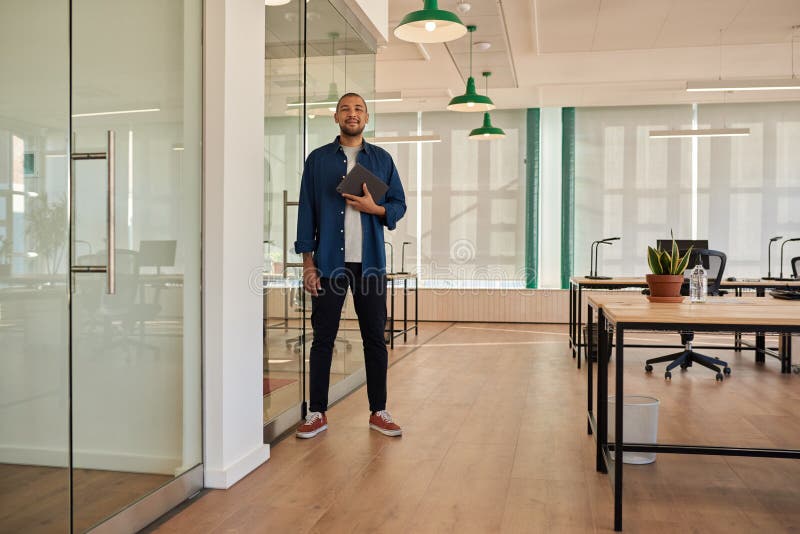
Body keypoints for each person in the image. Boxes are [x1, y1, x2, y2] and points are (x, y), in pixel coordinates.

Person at [294, 93, 407, 439]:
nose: (352, 113)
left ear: (367, 117)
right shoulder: (317, 161)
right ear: (336, 117)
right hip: (328, 264)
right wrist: (308, 264)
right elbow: (306, 214)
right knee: (322, 339)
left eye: (358, 108)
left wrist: (376, 208)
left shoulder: (382, 160)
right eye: (345, 108)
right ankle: (317, 413)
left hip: (370, 266)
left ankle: (379, 411)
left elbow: (399, 205)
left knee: (374, 337)